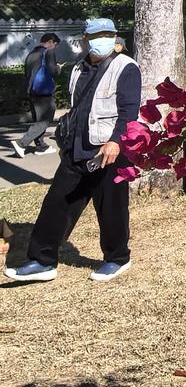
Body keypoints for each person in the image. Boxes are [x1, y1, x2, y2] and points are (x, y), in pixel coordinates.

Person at [5, 18, 141, 283]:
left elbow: (129, 111)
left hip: (108, 149)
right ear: (86, 39)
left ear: (115, 37)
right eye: (97, 35)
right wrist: (65, 140)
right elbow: (77, 106)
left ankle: (117, 258)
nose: (103, 39)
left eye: (108, 34)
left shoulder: (126, 66)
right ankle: (42, 261)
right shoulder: (79, 67)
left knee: (111, 208)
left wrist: (116, 141)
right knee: (57, 203)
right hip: (76, 147)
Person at [12, 33, 62, 157]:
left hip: (32, 91)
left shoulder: (32, 53)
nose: (54, 47)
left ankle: (41, 146)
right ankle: (21, 143)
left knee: (38, 120)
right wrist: (59, 68)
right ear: (50, 42)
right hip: (43, 91)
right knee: (46, 119)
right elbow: (52, 71)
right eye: (55, 45)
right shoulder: (48, 52)